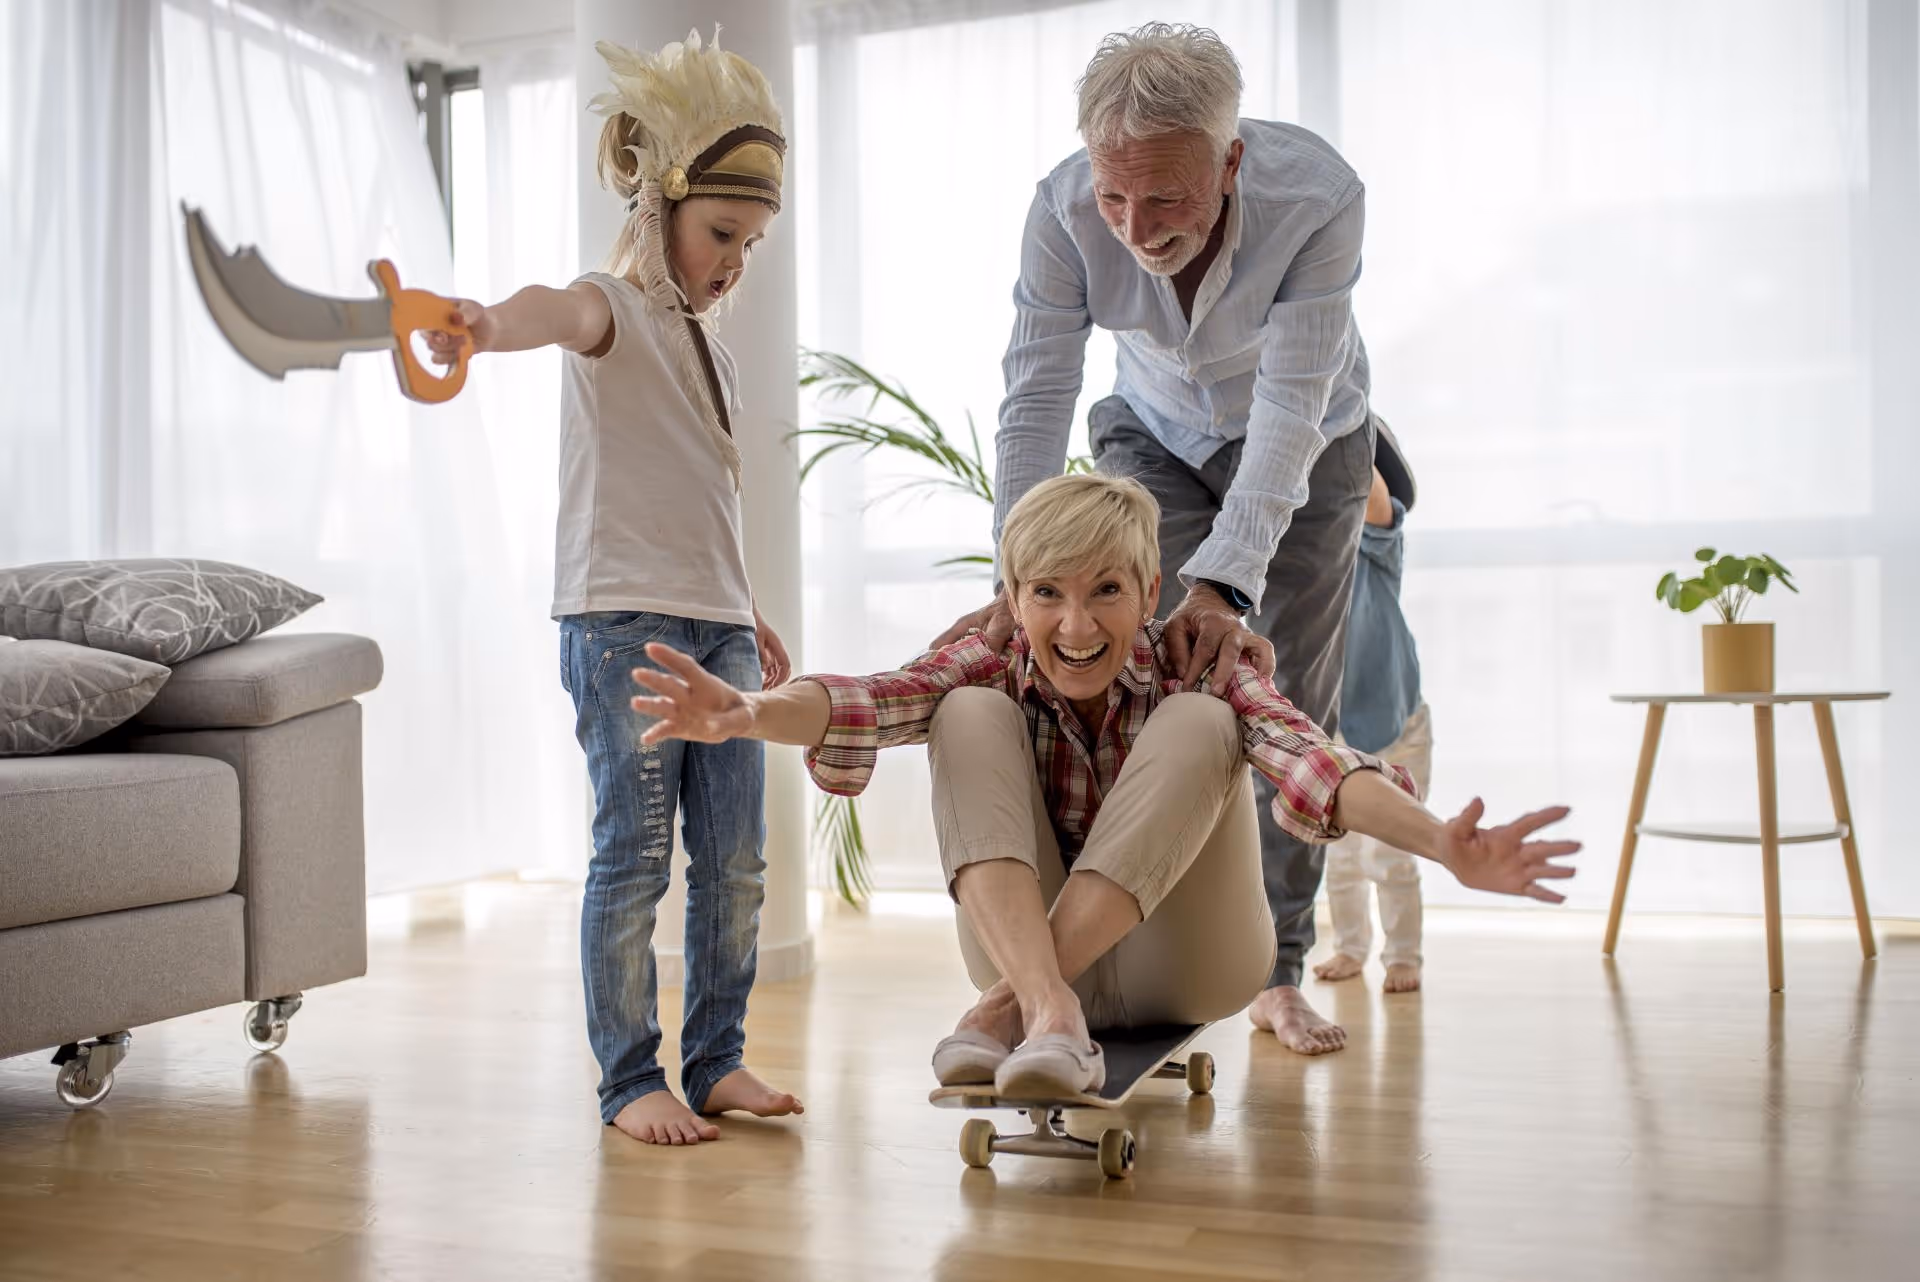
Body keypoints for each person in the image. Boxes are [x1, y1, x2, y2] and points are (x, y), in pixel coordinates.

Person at [634, 474, 1579, 1095]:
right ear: (1012, 599)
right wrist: (749, 713)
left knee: (1206, 719)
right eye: (1047, 593)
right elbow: (875, 699)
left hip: (1191, 962)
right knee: (959, 709)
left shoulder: (1199, 663)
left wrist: (1440, 843)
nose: (1075, 624)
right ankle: (1049, 1006)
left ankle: (1008, 1009)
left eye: (1106, 592)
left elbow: (1311, 761)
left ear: (1152, 589)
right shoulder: (992, 655)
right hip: (1030, 945)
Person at [933, 23, 1399, 1055]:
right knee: (1145, 675)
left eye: (1168, 199)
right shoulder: (1061, 210)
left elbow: (1288, 416)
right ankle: (1093, 963)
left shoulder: (1319, 198)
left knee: (1281, 698)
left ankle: (1275, 969)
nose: (1138, 229)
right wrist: (1020, 576)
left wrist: (1225, 590)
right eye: (1116, 199)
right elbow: (1038, 389)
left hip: (1311, 442)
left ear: (1230, 162)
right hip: (1151, 430)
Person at [424, 29, 801, 1146]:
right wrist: (487, 326)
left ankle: (718, 1057)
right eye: (724, 232)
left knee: (734, 855)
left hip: (715, 623)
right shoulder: (613, 307)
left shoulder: (713, 350)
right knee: (633, 854)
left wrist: (748, 609)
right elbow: (549, 308)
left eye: (754, 243)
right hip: (623, 625)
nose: (737, 258)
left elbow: (693, 500)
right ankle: (628, 1079)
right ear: (660, 203)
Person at [1315, 433, 1431, 993]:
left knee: (1392, 851)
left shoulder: (1375, 548)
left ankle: (1403, 955)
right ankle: (1350, 946)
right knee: (1337, 856)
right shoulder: (1308, 559)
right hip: (1336, 731)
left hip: (1396, 726)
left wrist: (1342, 422)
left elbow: (1372, 494)